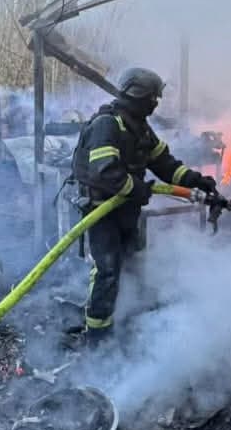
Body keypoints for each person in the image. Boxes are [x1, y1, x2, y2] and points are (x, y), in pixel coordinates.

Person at [71, 67, 219, 344]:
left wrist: (196, 181)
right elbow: (104, 172)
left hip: (126, 210)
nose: (155, 104)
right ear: (137, 96)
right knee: (108, 270)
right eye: (153, 98)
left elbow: (165, 165)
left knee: (134, 265)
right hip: (103, 211)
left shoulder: (139, 128)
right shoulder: (108, 124)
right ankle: (98, 339)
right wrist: (137, 188)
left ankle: (128, 323)